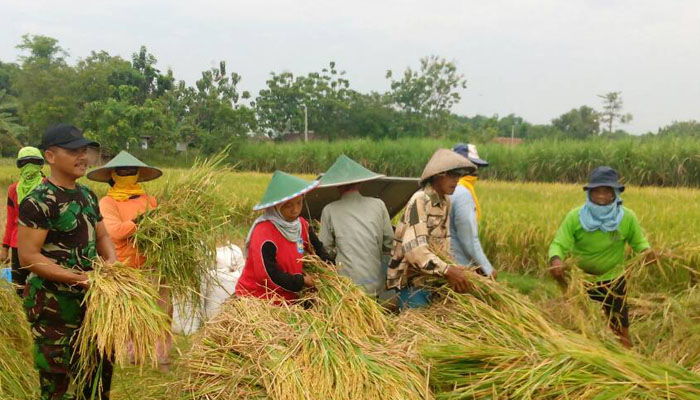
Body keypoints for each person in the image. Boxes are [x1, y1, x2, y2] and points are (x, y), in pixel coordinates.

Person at [17, 124, 118, 399]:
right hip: (55, 310)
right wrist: (79, 279)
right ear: (50, 156)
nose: (83, 157)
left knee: (97, 380)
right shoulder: (38, 201)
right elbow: (28, 256)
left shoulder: (87, 195)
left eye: (84, 150)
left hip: (94, 306)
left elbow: (103, 236)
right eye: (74, 151)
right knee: (58, 386)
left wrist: (111, 260)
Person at [548, 166, 651, 348]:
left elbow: (639, 243)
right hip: (581, 282)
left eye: (607, 192)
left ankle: (627, 360)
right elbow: (559, 244)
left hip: (614, 281)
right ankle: (587, 356)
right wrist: (556, 260)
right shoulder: (575, 217)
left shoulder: (626, 218)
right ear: (589, 193)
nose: (602, 197)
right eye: (597, 192)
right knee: (584, 326)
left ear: (616, 194)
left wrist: (647, 254)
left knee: (620, 326)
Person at [86, 150, 171, 369]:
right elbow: (115, 231)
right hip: (124, 268)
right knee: (130, 314)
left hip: (152, 264)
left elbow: (162, 229)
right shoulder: (107, 203)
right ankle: (132, 354)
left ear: (137, 175)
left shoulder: (149, 201)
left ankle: (161, 357)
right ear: (113, 176)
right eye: (122, 172)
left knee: (161, 311)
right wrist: (142, 222)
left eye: (131, 172)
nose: (127, 175)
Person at [387, 148, 476, 310]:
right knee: (416, 330)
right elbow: (414, 249)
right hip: (414, 283)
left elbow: (444, 243)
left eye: (459, 176)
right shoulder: (419, 202)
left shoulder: (445, 202)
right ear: (437, 175)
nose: (456, 181)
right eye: (452, 175)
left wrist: (457, 268)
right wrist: (447, 270)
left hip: (434, 280)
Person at [236, 171, 331, 303]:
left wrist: (330, 267)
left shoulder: (300, 225)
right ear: (276, 207)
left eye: (299, 203)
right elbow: (267, 274)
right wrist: (301, 281)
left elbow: (317, 247)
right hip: (261, 297)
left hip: (288, 295)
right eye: (288, 206)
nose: (295, 210)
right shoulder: (264, 232)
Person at [318, 155, 394, 297]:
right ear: (359, 183)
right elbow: (389, 242)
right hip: (375, 285)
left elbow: (325, 250)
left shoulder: (329, 210)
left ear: (337, 185)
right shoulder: (379, 205)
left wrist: (338, 250)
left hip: (346, 288)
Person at [2, 146, 45, 295]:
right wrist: (4, 247)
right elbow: (11, 219)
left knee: (39, 285)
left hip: (41, 244)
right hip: (19, 245)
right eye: (26, 163)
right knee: (19, 287)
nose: (29, 167)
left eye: (33, 162)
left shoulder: (48, 188)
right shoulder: (14, 190)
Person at [450, 143, 495, 278]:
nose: (475, 171)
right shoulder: (462, 192)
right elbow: (469, 239)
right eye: (471, 166)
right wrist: (488, 269)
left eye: (477, 166)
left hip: (444, 266)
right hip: (461, 271)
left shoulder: (444, 188)